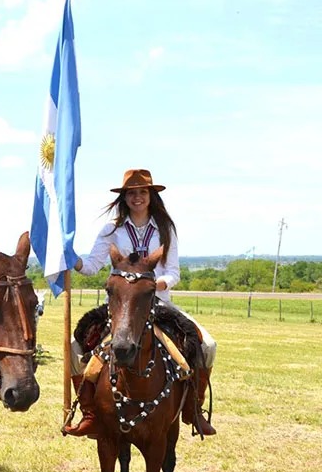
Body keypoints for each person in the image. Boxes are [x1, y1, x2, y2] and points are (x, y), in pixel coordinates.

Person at [63, 169, 218, 437]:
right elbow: (91, 266)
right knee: (76, 347)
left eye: (142, 192)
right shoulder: (111, 229)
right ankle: (90, 414)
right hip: (120, 305)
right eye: (131, 193)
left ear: (151, 196)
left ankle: (193, 409)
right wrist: (67, 257)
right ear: (124, 198)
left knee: (207, 345)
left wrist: (152, 285)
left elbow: (174, 273)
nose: (137, 197)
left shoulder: (165, 229)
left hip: (158, 303)